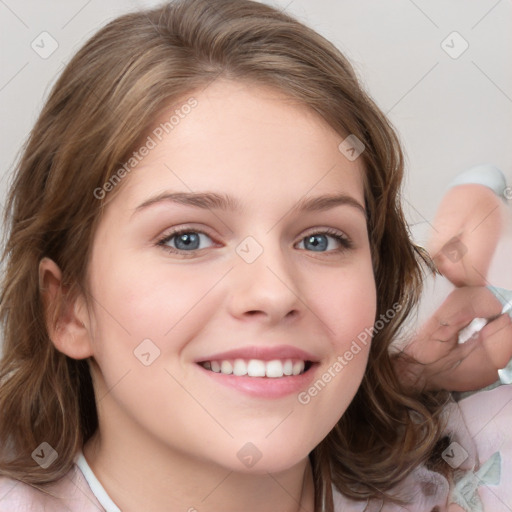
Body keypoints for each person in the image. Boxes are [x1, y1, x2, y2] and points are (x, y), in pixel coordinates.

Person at [0, 0, 510, 510]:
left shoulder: (468, 464)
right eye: (187, 239)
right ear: (68, 308)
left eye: (320, 239)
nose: (274, 292)